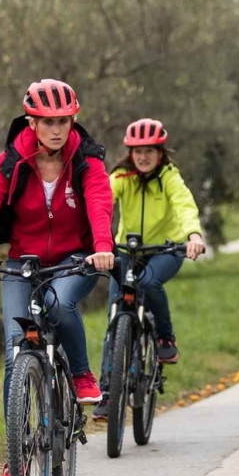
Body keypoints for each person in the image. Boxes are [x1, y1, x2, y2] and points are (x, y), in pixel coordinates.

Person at [0, 79, 115, 476]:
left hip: (78, 257)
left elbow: (99, 204)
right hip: (25, 261)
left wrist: (103, 248)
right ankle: (17, 453)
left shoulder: (87, 162)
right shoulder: (12, 161)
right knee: (14, 352)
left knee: (59, 305)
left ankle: (80, 374)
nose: (56, 129)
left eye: (63, 121)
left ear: (72, 120)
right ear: (32, 122)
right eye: (46, 122)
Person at [94, 118, 206, 419]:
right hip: (126, 251)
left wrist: (193, 235)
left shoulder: (169, 176)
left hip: (166, 249)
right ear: (129, 153)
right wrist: (98, 240)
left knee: (148, 283)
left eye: (149, 151)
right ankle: (107, 390)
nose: (143, 157)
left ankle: (165, 338)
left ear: (160, 152)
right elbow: (101, 203)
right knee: (116, 315)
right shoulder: (121, 176)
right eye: (137, 151)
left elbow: (184, 204)